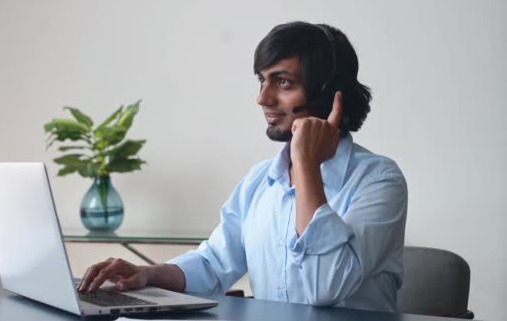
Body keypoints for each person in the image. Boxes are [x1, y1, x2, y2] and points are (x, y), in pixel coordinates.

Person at [77, 21, 408, 313]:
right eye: (262, 81)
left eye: (283, 83)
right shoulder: (260, 181)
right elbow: (214, 263)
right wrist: (148, 273)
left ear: (327, 95)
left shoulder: (379, 180)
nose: (262, 99)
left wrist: (306, 164)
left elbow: (325, 287)